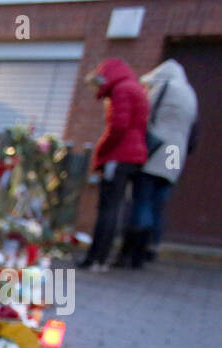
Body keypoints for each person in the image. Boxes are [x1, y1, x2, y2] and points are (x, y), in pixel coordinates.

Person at [116, 60, 198, 267]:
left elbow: (145, 115)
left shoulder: (164, 87)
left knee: (142, 199)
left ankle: (131, 252)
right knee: (157, 204)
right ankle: (149, 249)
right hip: (175, 154)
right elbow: (194, 132)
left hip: (158, 149)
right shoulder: (190, 94)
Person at [77, 59, 149, 271]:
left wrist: (103, 151)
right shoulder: (134, 88)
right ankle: (101, 258)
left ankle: (95, 258)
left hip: (119, 156)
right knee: (115, 208)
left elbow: (118, 127)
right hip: (132, 156)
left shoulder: (121, 90)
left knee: (107, 209)